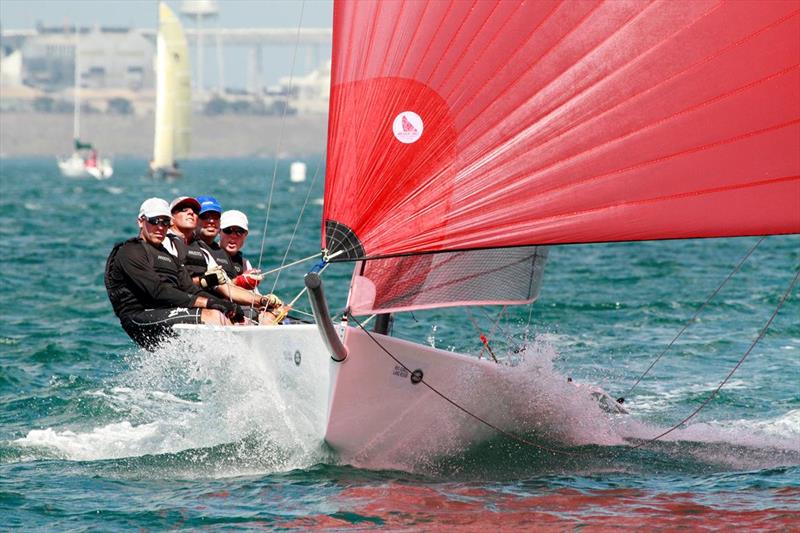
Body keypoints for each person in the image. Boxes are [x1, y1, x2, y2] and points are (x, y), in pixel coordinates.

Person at [104, 197, 245, 350]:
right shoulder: (129, 251)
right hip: (139, 317)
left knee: (232, 316)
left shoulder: (169, 257)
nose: (160, 227)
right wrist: (209, 303)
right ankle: (231, 365)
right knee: (213, 316)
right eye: (154, 221)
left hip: (165, 311)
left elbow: (190, 289)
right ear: (141, 221)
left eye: (165, 222)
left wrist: (225, 304)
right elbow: (158, 291)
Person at [219, 209, 287, 322]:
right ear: (219, 232)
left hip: (243, 312)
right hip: (222, 312)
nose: (233, 236)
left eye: (239, 231)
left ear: (246, 235)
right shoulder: (210, 254)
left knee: (274, 314)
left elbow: (255, 296)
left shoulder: (244, 263)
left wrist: (270, 303)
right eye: (228, 231)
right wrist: (238, 282)